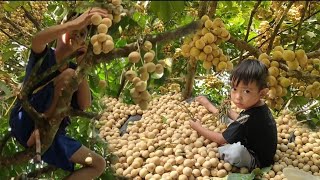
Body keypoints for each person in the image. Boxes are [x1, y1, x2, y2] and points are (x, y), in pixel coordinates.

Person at [9, 8, 108, 179]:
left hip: (50, 132)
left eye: (83, 34)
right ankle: (38, 128)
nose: (77, 35)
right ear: (63, 28)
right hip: (25, 118)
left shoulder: (74, 71)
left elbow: (84, 104)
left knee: (98, 164)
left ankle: (41, 130)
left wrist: (81, 67)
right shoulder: (45, 55)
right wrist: (75, 23)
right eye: (74, 30)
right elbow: (37, 40)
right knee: (69, 75)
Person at [190, 59, 277, 170]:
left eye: (246, 91)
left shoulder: (248, 118)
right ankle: (210, 106)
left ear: (262, 93)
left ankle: (222, 152)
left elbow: (221, 139)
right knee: (230, 122)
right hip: (255, 143)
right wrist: (213, 107)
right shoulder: (259, 107)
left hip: (257, 160)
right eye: (234, 89)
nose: (237, 96)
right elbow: (241, 120)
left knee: (235, 152)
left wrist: (198, 127)